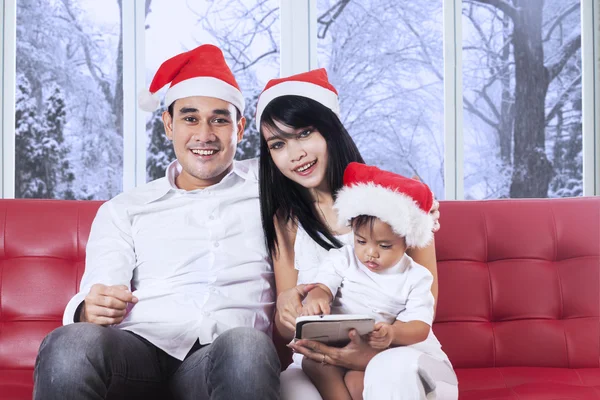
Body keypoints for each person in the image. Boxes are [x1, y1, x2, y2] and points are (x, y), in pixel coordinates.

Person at [33, 44, 280, 400]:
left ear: (239, 128)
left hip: (222, 357)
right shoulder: (126, 208)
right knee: (71, 343)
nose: (205, 134)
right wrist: (92, 307)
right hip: (137, 356)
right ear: (168, 124)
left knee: (245, 346)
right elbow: (99, 292)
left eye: (220, 119)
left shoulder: (272, 188)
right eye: (190, 118)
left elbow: (331, 165)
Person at [256, 68, 442, 399]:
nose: (295, 154)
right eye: (278, 143)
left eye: (304, 133)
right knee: (290, 390)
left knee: (386, 378)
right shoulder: (285, 221)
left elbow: (425, 301)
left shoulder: (392, 201)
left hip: (396, 349)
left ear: (330, 131)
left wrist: (368, 353)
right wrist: (288, 307)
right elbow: (289, 322)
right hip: (321, 359)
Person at [299, 162, 457, 400]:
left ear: (407, 242)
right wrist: (319, 295)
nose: (370, 253)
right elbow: (324, 283)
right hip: (341, 343)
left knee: (357, 381)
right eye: (361, 241)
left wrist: (393, 333)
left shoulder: (416, 277)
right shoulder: (344, 258)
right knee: (312, 364)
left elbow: (420, 326)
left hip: (380, 351)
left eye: (384, 246)